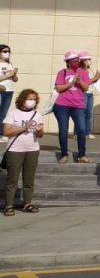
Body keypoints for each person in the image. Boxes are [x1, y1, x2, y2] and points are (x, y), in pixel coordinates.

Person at [3, 88, 44, 216]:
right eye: (29, 99)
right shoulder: (13, 113)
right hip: (15, 150)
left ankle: (27, 203)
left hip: (32, 149)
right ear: (22, 100)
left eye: (34, 99)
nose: (32, 101)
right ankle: (9, 205)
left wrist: (39, 131)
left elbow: (40, 134)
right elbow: (6, 132)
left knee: (29, 179)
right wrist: (23, 127)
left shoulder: (37, 115)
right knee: (12, 179)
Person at [53, 51, 90, 164]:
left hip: (78, 105)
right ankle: (64, 154)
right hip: (62, 105)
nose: (76, 62)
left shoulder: (83, 72)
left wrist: (79, 81)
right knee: (63, 130)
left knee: (82, 129)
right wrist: (71, 83)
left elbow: (86, 88)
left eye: (77, 60)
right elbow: (58, 88)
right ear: (68, 62)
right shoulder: (62, 72)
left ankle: (82, 155)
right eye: (73, 60)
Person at [79, 52, 100, 139]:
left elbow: (92, 81)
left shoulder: (91, 69)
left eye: (89, 59)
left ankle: (88, 132)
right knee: (81, 113)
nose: (89, 61)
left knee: (89, 113)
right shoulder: (79, 70)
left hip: (90, 93)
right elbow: (84, 82)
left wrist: (97, 77)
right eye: (86, 60)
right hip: (83, 93)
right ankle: (78, 133)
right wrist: (95, 78)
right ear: (81, 61)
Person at [0, 45, 19, 142]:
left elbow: (15, 80)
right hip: (1, 90)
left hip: (9, 91)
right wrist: (8, 76)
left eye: (8, 51)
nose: (7, 53)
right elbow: (6, 77)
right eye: (4, 51)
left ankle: (2, 134)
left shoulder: (9, 64)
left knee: (3, 113)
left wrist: (14, 74)